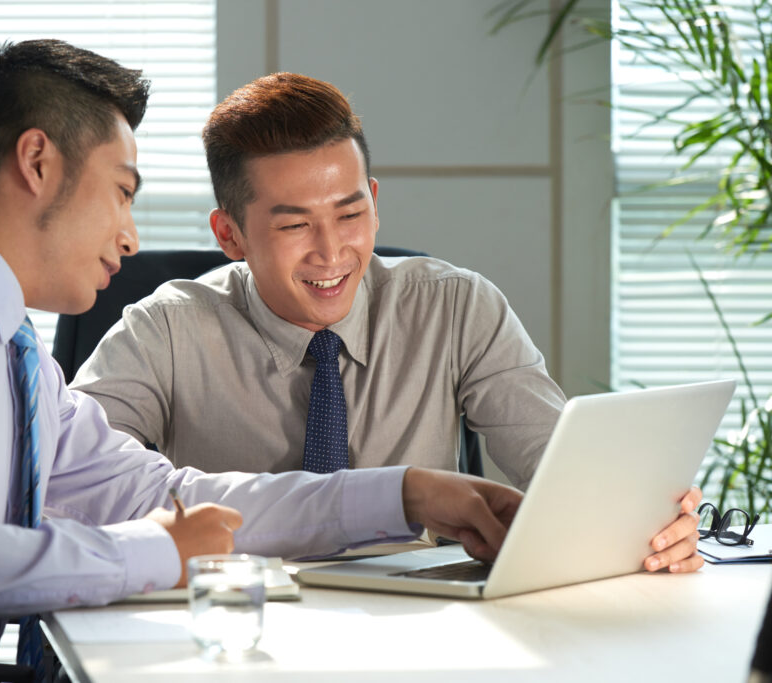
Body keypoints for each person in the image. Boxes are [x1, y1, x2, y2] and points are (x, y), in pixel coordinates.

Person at [0, 40, 539, 683]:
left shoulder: (6, 349)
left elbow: (171, 494)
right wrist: (158, 550)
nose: (130, 237)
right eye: (122, 191)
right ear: (36, 162)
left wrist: (400, 493)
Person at [72, 72, 704, 568]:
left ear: (374, 204)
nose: (331, 251)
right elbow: (66, 484)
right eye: (294, 225)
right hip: (245, 626)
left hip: (425, 627)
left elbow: (564, 474)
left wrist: (642, 525)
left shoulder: (456, 307)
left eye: (350, 214)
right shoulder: (166, 329)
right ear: (229, 234)